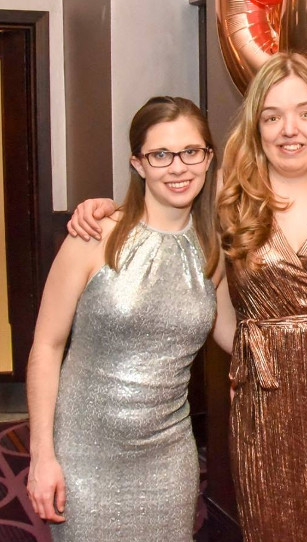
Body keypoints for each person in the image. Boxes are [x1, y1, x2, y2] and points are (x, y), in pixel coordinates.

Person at [66, 53, 307, 542]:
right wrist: (103, 208)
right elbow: (163, 215)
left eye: (304, 113)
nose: (288, 129)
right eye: (271, 117)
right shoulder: (228, 199)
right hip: (266, 397)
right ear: (255, 128)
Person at [26, 96, 222, 541]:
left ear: (208, 159)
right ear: (138, 164)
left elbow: (231, 332)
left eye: (192, 152)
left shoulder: (213, 248)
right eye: (160, 155)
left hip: (168, 460)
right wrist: (42, 455)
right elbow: (47, 347)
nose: (178, 167)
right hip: (85, 455)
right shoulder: (93, 236)